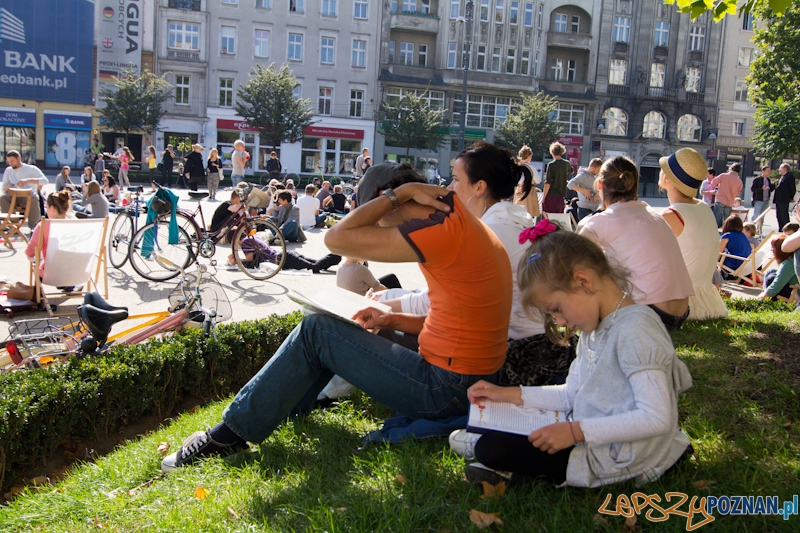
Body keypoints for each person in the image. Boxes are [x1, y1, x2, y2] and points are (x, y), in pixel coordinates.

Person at [160, 162, 513, 472]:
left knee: (317, 330)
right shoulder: (459, 221)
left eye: (372, 209)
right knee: (339, 322)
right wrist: (390, 319)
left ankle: (229, 435)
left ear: (386, 198)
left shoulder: (438, 230)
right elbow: (455, 316)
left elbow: (336, 239)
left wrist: (397, 195)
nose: (374, 222)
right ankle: (281, 409)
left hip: (447, 389)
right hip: (468, 379)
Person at [453, 228, 693, 487]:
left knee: (491, 448)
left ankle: (506, 465)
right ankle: (506, 462)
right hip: (589, 436)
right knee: (495, 444)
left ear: (583, 281)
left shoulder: (636, 330)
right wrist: (507, 394)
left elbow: (655, 417)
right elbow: (571, 394)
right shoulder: (595, 326)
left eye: (556, 309)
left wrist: (573, 432)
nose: (560, 321)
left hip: (622, 456)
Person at [579, 156, 694, 329]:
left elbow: (574, 261)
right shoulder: (654, 215)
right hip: (681, 312)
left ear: (600, 185)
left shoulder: (602, 221)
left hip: (650, 314)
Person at [658, 148, 728, 320]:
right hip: (707, 301)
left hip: (679, 303)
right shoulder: (704, 207)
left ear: (667, 178)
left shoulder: (671, 215)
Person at [225, 236, 341, 273]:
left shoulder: (245, 242)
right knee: (316, 263)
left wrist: (236, 261)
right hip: (285, 256)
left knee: (314, 268)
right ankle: (335, 259)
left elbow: (250, 261)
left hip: (283, 259)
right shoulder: (251, 237)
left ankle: (334, 255)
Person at [26, 191, 72, 279]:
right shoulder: (76, 225)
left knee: (36, 263)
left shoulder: (44, 225)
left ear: (52, 208)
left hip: (51, 274)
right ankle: (70, 285)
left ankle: (39, 291)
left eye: (46, 207)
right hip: (76, 272)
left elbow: (30, 251)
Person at [1, 149, 48, 230]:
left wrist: (28, 180)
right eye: (9, 161)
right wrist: (9, 186)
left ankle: (34, 226)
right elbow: (3, 188)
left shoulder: (31, 169)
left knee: (33, 196)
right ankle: (10, 224)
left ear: (19, 158)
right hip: (13, 196)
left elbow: (45, 181)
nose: (10, 163)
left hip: (27, 196)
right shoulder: (8, 170)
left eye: (12, 161)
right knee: (3, 197)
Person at [758, 236, 797, 301]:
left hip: (796, 292)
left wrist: (763, 296)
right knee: (770, 271)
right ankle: (766, 295)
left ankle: (767, 299)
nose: (771, 249)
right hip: (792, 288)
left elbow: (777, 284)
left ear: (780, 250)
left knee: (771, 278)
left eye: (773, 247)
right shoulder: (790, 259)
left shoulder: (789, 263)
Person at [541, 142, 571, 214]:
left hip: (550, 195)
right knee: (558, 219)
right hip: (561, 196)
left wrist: (543, 196)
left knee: (548, 218)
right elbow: (572, 171)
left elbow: (548, 182)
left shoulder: (551, 165)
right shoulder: (566, 163)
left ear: (552, 152)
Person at [711, 163, 743, 227]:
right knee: (727, 221)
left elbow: (713, 183)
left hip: (720, 199)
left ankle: (714, 232)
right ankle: (725, 232)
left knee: (716, 218)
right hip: (730, 202)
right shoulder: (739, 181)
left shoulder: (723, 175)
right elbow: (737, 194)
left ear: (731, 168)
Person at [515, 145, 540, 219]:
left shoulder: (517, 167)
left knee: (518, 213)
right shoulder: (531, 168)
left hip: (519, 189)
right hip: (529, 190)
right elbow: (538, 181)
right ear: (529, 156)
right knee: (529, 213)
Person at [773, 164, 796, 230]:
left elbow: (792, 188)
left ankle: (787, 229)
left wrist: (791, 197)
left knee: (784, 215)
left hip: (784, 199)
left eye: (780, 168)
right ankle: (781, 228)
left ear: (785, 168)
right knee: (778, 215)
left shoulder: (789, 176)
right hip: (778, 199)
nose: (779, 170)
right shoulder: (782, 177)